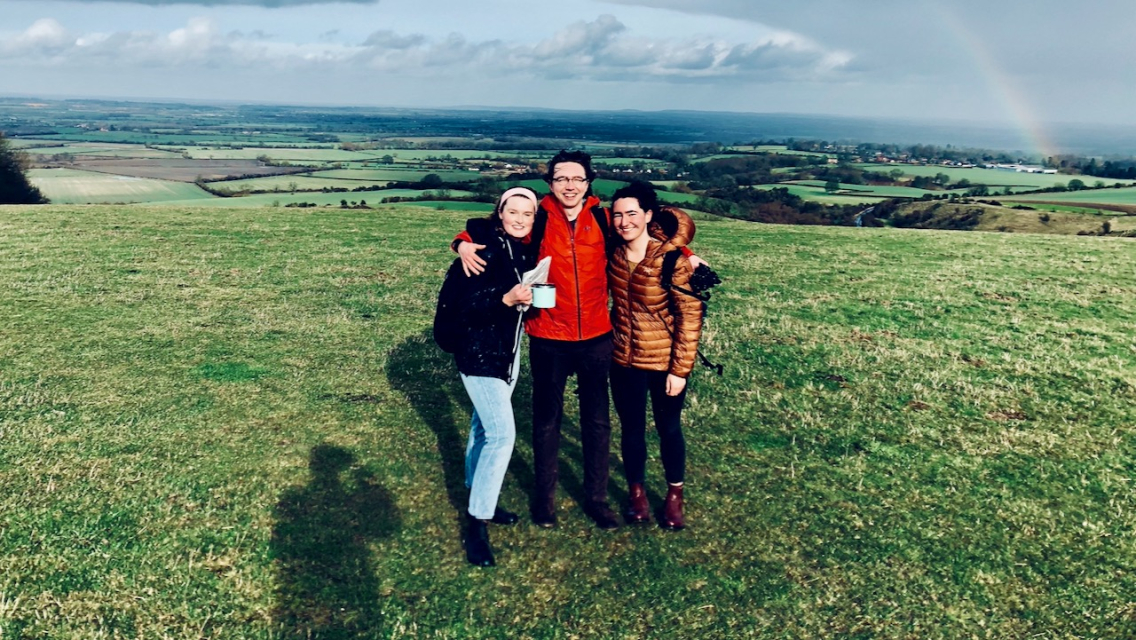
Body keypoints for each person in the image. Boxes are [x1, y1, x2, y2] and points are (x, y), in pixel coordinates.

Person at [454, 150, 705, 530]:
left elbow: (657, 230)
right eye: (561, 179)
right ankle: (545, 500)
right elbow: (485, 227)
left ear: (588, 182)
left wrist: (688, 254)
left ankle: (597, 499)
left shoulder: (603, 219)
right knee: (546, 421)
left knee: (597, 422)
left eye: (577, 179)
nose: (569, 186)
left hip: (597, 338)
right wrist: (461, 244)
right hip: (547, 335)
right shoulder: (538, 217)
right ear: (550, 183)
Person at [448, 186, 540, 565]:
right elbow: (463, 309)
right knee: (502, 435)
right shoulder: (481, 251)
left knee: (482, 429)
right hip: (479, 355)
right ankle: (477, 522)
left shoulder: (521, 251)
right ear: (499, 213)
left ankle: (476, 493)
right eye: (512, 212)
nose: (519, 219)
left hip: (508, 355)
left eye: (527, 214)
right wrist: (505, 300)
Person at [607, 181, 703, 530]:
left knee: (668, 428)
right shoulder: (613, 253)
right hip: (623, 360)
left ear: (648, 215)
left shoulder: (672, 261)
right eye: (617, 215)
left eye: (632, 213)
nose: (623, 221)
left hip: (665, 364)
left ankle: (674, 496)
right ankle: (637, 495)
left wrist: (680, 369)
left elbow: (689, 316)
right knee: (631, 430)